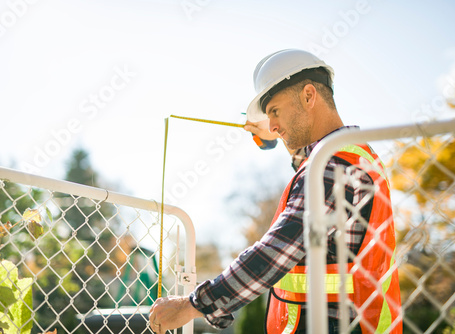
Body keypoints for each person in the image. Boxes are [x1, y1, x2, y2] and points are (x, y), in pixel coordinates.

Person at [149, 49, 402, 334]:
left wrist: (193, 305)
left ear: (309, 96)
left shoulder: (332, 166)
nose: (272, 125)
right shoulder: (352, 156)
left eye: (275, 112)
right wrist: (279, 131)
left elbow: (278, 247)